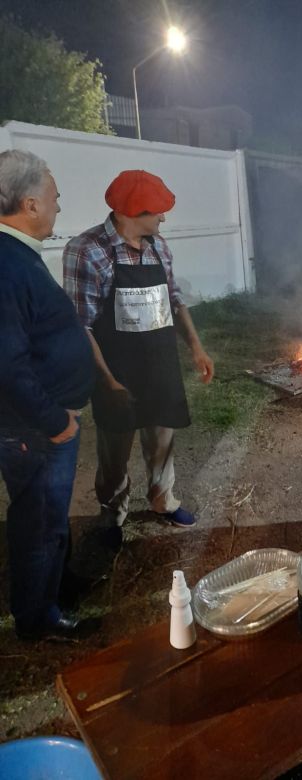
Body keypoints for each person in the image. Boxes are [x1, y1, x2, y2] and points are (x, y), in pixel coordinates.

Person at [63, 170, 214, 529]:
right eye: (158, 211)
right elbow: (81, 326)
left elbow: (174, 301)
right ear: (133, 211)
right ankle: (113, 512)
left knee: (163, 438)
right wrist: (108, 382)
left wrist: (197, 348)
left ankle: (163, 500)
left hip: (159, 364)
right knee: (115, 448)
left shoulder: (159, 246)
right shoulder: (87, 251)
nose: (164, 217)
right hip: (117, 369)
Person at [0, 150, 97, 640]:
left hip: (43, 423)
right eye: (55, 197)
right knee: (37, 521)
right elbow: (6, 366)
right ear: (31, 204)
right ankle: (39, 620)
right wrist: (56, 420)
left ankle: (56, 584)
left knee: (49, 515)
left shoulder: (17, 256)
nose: (59, 206)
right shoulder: (6, 266)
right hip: (34, 430)